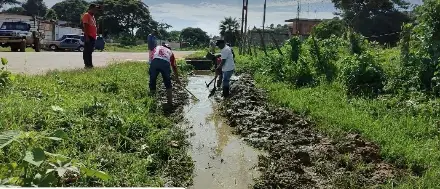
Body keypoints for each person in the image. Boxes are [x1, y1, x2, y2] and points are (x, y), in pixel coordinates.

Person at [81, 3, 99, 69]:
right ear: (91, 9)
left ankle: (90, 65)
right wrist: (87, 36)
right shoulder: (86, 15)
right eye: (95, 9)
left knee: (90, 51)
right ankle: (87, 65)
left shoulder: (92, 17)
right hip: (89, 36)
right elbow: (85, 26)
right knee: (87, 51)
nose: (96, 11)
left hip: (93, 37)